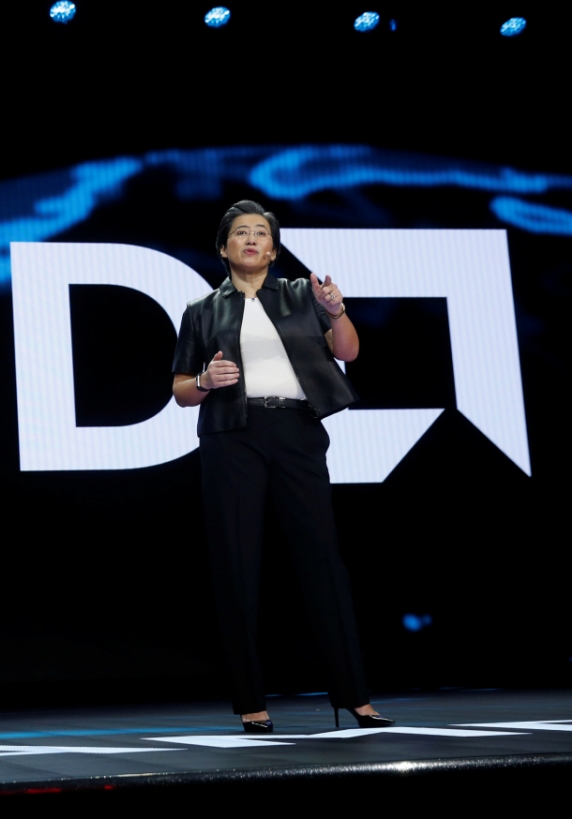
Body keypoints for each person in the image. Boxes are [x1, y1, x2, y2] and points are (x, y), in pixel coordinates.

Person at [171, 200, 393, 733]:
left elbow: (348, 352)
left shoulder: (301, 295)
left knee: (323, 561)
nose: (251, 239)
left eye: (261, 233)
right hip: (232, 437)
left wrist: (336, 311)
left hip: (296, 432)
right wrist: (204, 381)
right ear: (223, 248)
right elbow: (180, 390)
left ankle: (355, 697)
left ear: (272, 249)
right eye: (240, 232)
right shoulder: (202, 309)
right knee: (237, 564)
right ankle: (252, 702)